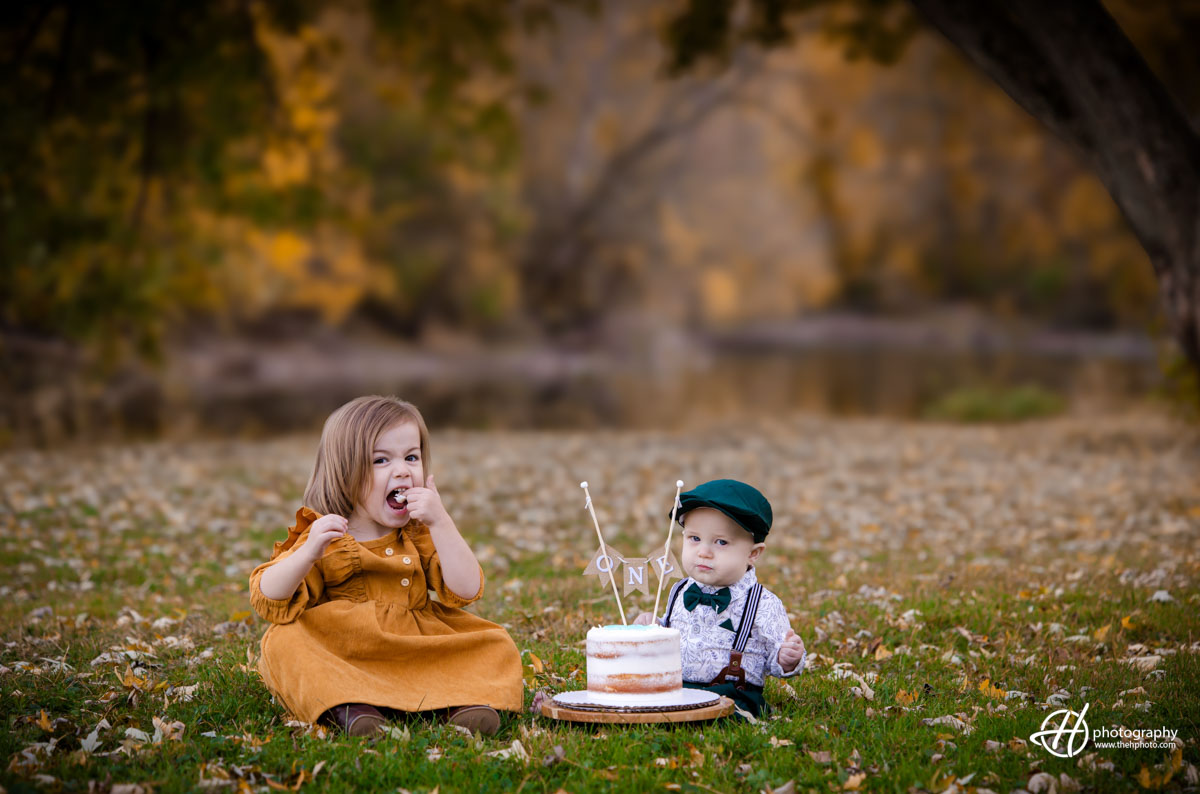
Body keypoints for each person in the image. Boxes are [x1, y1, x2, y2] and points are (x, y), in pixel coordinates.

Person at [249, 395, 523, 737]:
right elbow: (268, 597)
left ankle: (462, 705)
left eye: (411, 457)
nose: (403, 470)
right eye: (381, 460)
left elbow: (466, 590)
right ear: (345, 471)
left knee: (495, 643)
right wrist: (306, 554)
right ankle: (349, 709)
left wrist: (442, 523)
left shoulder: (420, 532)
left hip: (414, 645)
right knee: (285, 641)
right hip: (346, 649)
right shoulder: (325, 533)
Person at [635, 479, 806, 717]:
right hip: (676, 690)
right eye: (694, 538)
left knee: (721, 719)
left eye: (721, 542)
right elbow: (676, 635)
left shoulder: (762, 603)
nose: (704, 552)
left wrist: (787, 658)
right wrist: (654, 630)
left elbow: (776, 657)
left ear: (753, 554)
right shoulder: (680, 590)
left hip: (732, 696)